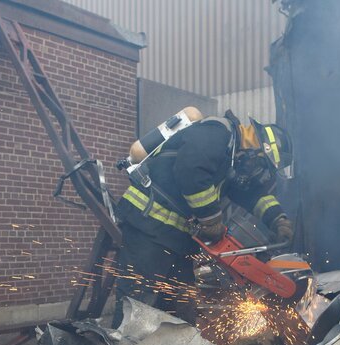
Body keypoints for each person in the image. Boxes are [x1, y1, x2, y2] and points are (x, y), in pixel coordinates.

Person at [113, 111, 294, 327]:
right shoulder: (217, 132)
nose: (257, 171)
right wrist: (211, 220)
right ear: (260, 149)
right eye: (262, 165)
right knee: (138, 302)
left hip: (175, 237)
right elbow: (191, 172)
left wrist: (278, 218)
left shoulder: (231, 157)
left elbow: (251, 193)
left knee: (180, 304)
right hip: (147, 224)